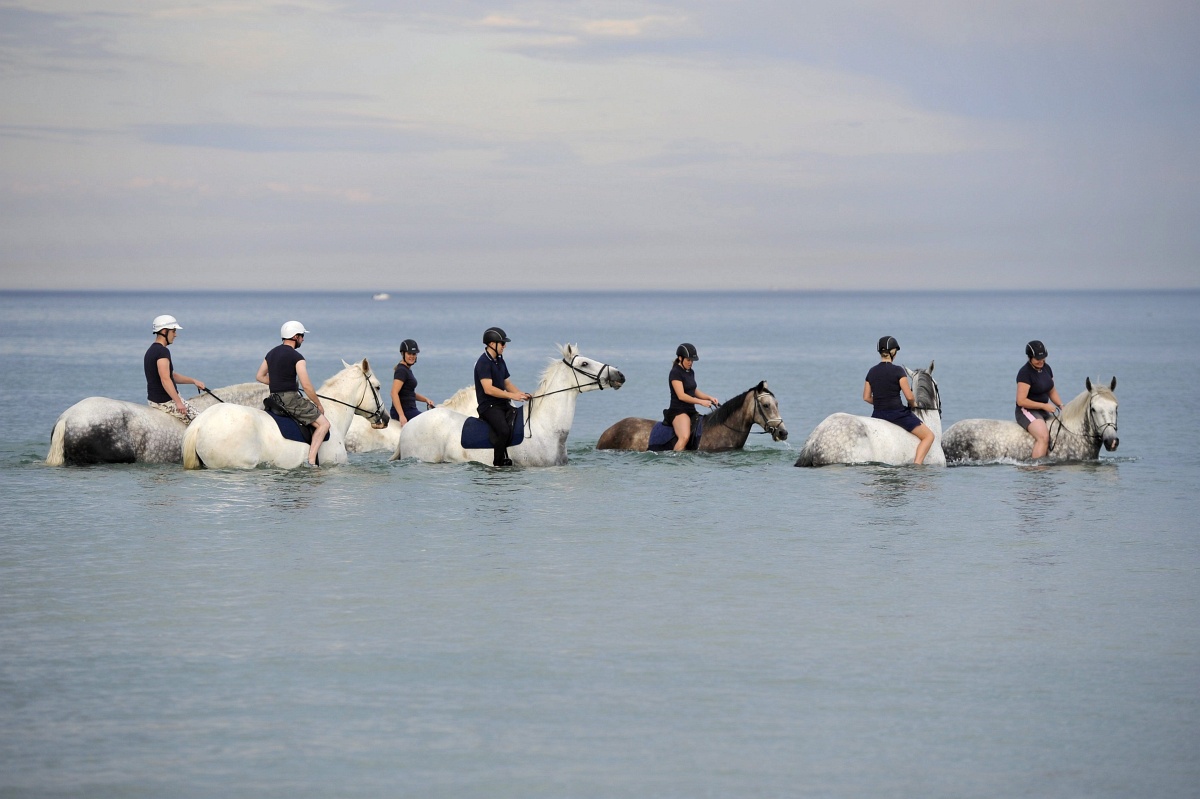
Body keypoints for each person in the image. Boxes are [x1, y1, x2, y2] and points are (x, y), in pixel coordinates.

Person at [255, 320, 330, 467]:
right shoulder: (297, 357)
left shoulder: (271, 353)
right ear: (295, 337)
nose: (303, 339)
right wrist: (318, 404)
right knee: (324, 424)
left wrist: (278, 382)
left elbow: (260, 376)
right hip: (290, 400)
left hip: (274, 399)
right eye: (302, 336)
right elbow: (306, 386)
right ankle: (312, 461)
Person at [862, 335, 935, 464]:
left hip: (877, 414)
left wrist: (880, 401)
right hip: (897, 414)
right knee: (929, 436)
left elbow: (866, 397)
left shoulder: (871, 371)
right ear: (893, 352)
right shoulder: (898, 371)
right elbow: (909, 396)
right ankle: (917, 465)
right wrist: (914, 404)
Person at [474, 327, 530, 466]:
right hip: (489, 407)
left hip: (503, 404)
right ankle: (497, 464)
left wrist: (522, 395)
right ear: (492, 344)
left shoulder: (500, 360)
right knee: (504, 431)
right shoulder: (483, 362)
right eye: (502, 343)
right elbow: (488, 389)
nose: (505, 346)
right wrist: (512, 396)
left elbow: (507, 383)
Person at [145, 314, 206, 423]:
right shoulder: (162, 352)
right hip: (166, 402)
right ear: (164, 331)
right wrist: (178, 402)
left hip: (154, 400)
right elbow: (165, 379)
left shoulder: (151, 350)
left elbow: (171, 375)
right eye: (173, 331)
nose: (175, 335)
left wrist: (193, 381)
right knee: (202, 422)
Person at [664, 343, 719, 451]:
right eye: (688, 360)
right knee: (684, 437)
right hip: (678, 411)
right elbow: (682, 396)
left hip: (691, 410)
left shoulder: (690, 372)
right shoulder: (675, 373)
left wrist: (709, 398)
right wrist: (701, 402)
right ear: (680, 358)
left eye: (692, 361)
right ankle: (674, 461)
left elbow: (692, 390)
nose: (691, 363)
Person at [1015, 339, 1064, 459]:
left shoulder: (1047, 368)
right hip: (1026, 411)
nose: (1041, 361)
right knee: (1043, 437)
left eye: (1043, 359)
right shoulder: (1025, 373)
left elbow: (1051, 390)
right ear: (1030, 357)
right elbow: (1021, 401)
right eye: (1038, 359)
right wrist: (1044, 406)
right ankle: (1035, 469)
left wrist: (1061, 406)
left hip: (1043, 411)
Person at [390, 339, 435, 426]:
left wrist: (425, 399)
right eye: (409, 353)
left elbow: (408, 394)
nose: (412, 356)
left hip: (410, 410)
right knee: (429, 423)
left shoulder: (407, 370)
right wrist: (401, 415)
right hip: (405, 411)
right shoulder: (401, 370)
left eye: (414, 354)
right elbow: (393, 393)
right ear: (403, 354)